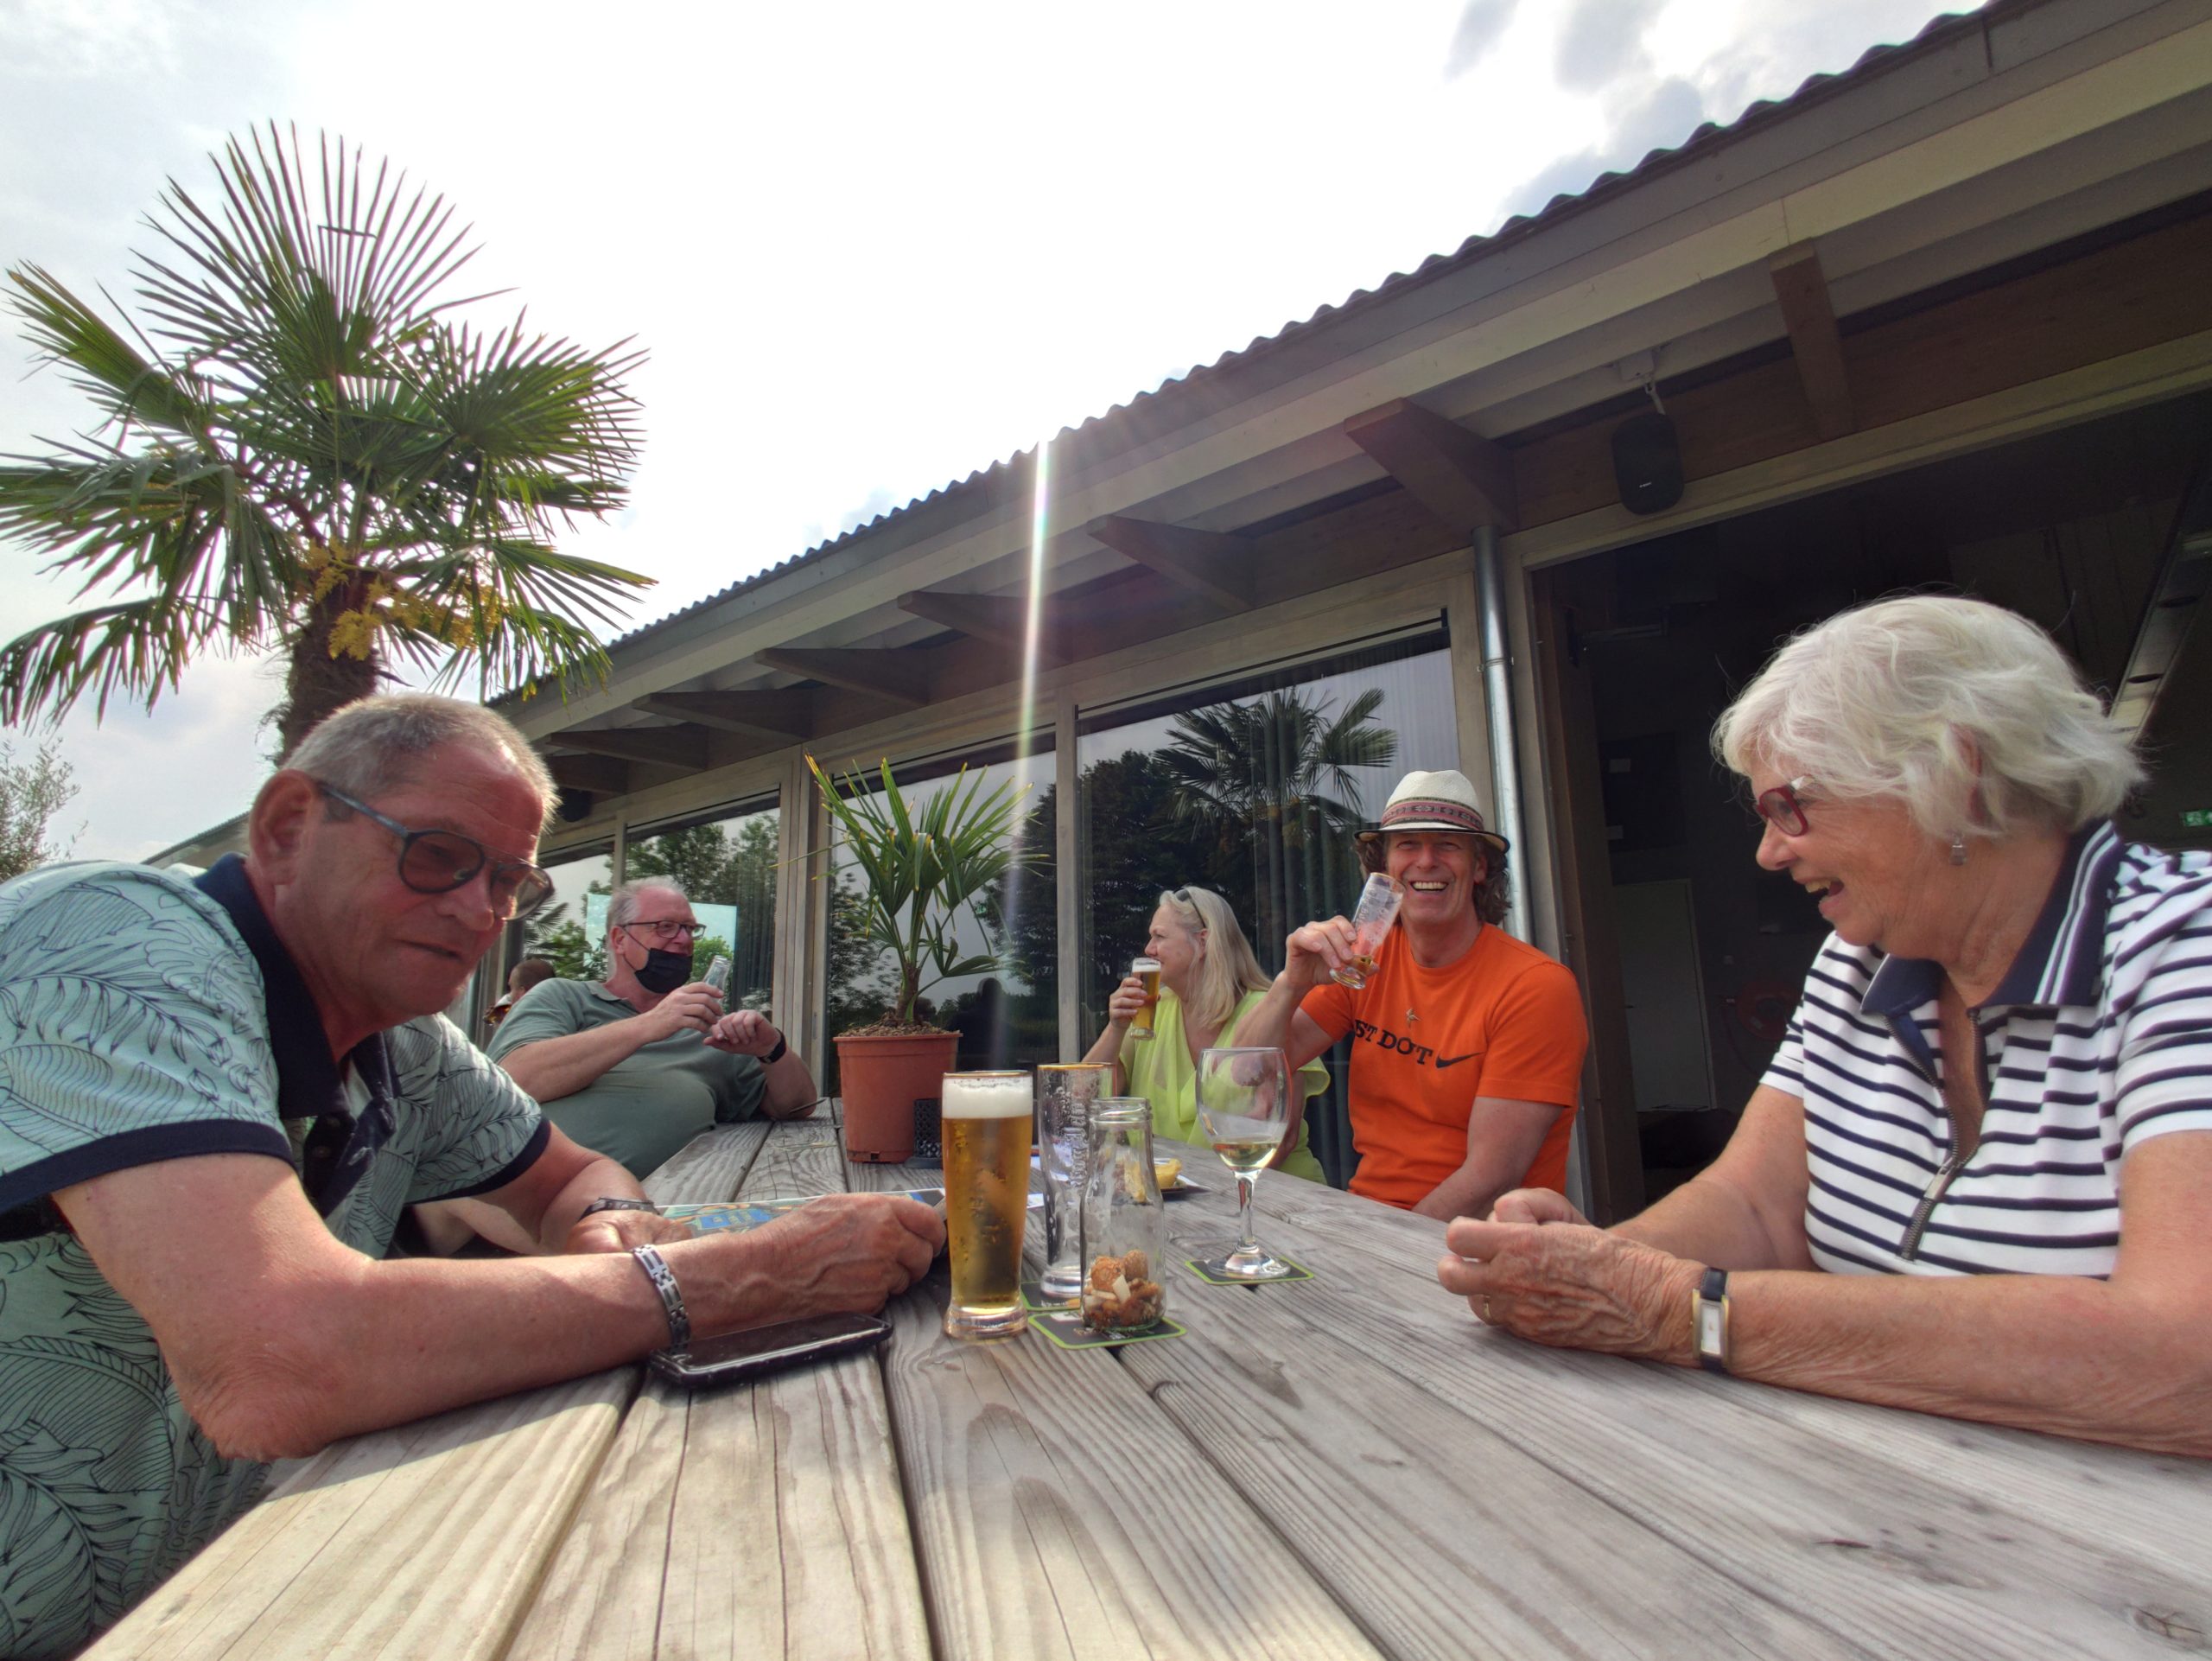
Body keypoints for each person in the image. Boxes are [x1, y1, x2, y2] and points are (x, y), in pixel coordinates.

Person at [0, 694, 942, 1658]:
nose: (478, 911)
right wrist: (737, 1276)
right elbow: (275, 1360)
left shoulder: (402, 1041)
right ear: (288, 826)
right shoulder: (108, 934)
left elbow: (569, 1175)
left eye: (509, 882)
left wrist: (612, 1222)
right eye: (438, 856)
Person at [1439, 595, 2212, 1457]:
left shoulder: (2185, 942)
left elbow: (2184, 1356)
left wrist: (1681, 1308)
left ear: (1955, 773)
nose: (1770, 852)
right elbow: (1757, 1203)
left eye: (1789, 806)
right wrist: (1588, 1270)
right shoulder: (1862, 958)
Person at [1234, 769, 1588, 1219]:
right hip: (1370, 1222)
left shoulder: (1535, 986)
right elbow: (1245, 1071)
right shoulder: (1366, 963)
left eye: (1446, 845)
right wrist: (1292, 982)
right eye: (1407, 844)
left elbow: (1492, 1177)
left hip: (1484, 1248)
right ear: (1383, 868)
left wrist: (1387, 1250)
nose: (1425, 861)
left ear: (1479, 867)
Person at [487, 879, 817, 1181]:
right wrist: (651, 1024)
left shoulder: (705, 1029)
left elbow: (798, 1106)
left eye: (690, 929)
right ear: (619, 939)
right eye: (665, 927)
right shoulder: (564, 997)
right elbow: (510, 1082)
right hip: (514, 1204)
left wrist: (771, 1047)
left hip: (660, 1209)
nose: (684, 940)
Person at [1081, 886, 1329, 1181]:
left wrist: (1214, 1208)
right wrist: (1116, 1028)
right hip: (1179, 1200)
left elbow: (1281, 1139)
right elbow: (1082, 1102)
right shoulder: (1151, 1012)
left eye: (1159, 936)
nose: (1148, 949)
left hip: (1280, 1203)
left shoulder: (1268, 1009)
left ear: (1202, 942)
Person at [482, 954, 556, 1033]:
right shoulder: (557, 1020)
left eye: (511, 988)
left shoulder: (530, 1032)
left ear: (523, 993)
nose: (509, 996)